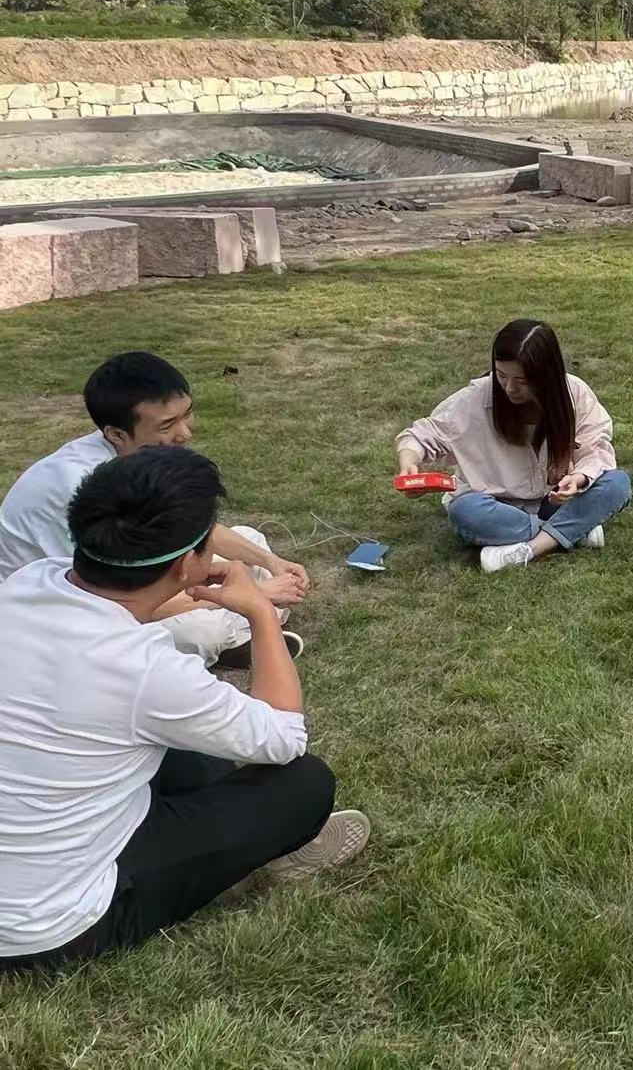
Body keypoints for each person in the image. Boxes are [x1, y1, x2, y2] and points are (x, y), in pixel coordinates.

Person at [0, 447, 368, 972]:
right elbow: (284, 737)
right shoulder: (146, 669)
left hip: (29, 848)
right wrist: (261, 612)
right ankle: (261, 856)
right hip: (47, 928)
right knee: (304, 783)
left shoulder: (27, 583)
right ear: (184, 564)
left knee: (188, 746)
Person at [0, 351, 308, 664]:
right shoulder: (81, 486)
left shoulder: (128, 456)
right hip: (62, 610)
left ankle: (245, 624)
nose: (185, 433)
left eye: (187, 413)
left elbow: (194, 528)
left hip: (126, 576)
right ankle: (241, 632)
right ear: (115, 433)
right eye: (167, 425)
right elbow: (117, 601)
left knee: (249, 540)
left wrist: (271, 561)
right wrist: (256, 595)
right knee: (201, 630)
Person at [396, 320, 631, 573]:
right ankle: (572, 530)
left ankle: (530, 549)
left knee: (617, 483)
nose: (509, 388)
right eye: (501, 376)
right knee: (465, 512)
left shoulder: (573, 393)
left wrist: (579, 477)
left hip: (554, 501)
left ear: (546, 375)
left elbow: (596, 446)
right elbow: (421, 435)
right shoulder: (478, 397)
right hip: (496, 506)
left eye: (521, 380)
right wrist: (409, 463)